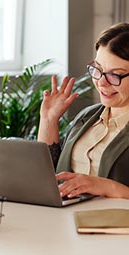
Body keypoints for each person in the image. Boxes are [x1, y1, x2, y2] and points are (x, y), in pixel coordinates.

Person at [38, 22, 129, 200]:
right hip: (65, 219)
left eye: (114, 75)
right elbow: (51, 175)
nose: (101, 82)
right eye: (98, 70)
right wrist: (49, 119)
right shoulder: (87, 116)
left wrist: (107, 187)